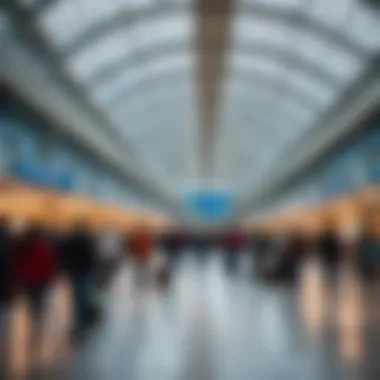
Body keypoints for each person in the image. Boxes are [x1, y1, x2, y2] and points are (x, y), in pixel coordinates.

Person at [11, 225, 57, 349]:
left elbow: (17, 263)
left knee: (32, 303)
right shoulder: (43, 247)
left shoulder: (23, 246)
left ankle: (34, 324)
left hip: (28, 280)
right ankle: (37, 328)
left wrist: (19, 278)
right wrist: (49, 277)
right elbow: (49, 263)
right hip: (40, 281)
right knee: (38, 305)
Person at [61, 221, 96, 339]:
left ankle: (79, 320)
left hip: (75, 272)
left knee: (77, 296)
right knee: (83, 296)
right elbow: (91, 257)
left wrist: (67, 267)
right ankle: (82, 320)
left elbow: (64, 255)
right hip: (84, 272)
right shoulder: (86, 242)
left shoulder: (70, 242)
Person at [356, 208, 380, 281]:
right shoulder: (368, 242)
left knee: (369, 278)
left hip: (369, 263)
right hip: (369, 263)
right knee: (369, 278)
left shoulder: (368, 242)